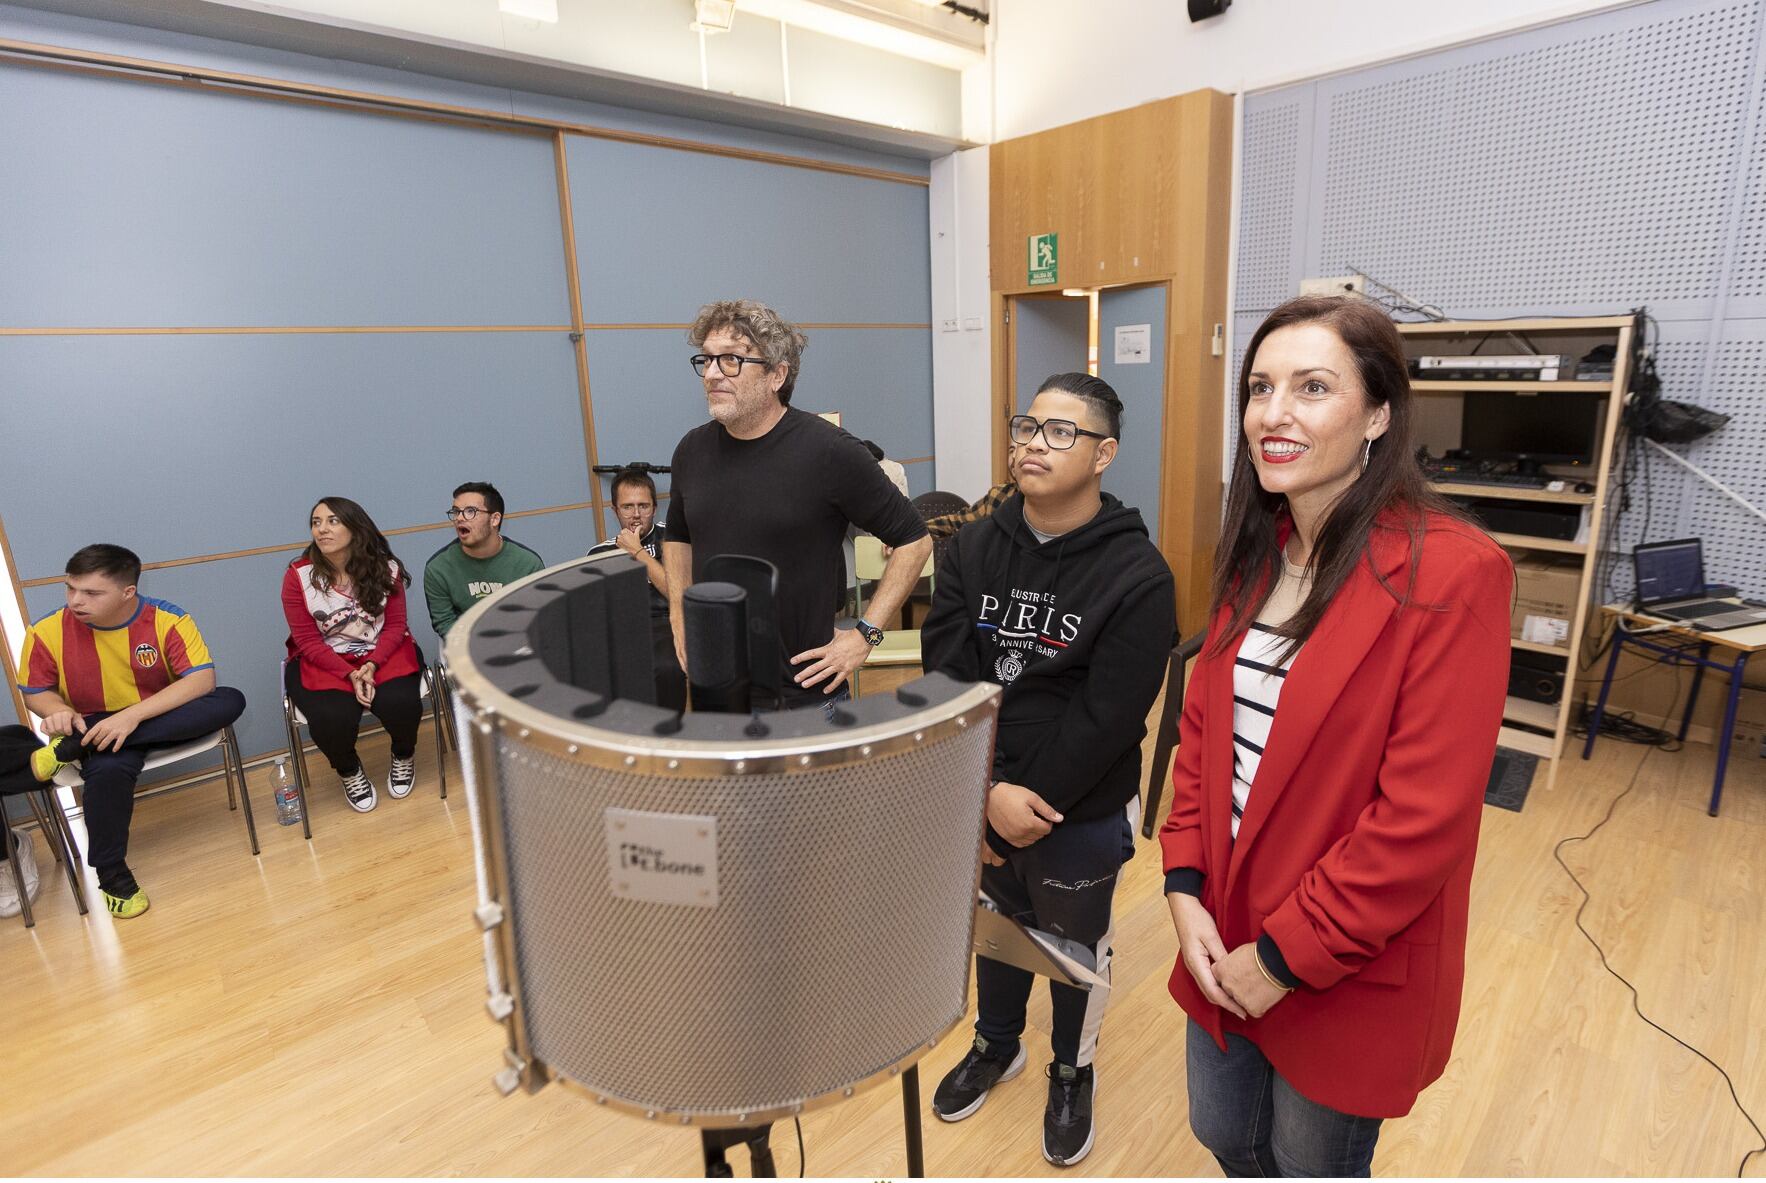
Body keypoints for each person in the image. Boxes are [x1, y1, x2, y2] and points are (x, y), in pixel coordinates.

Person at [1161, 296, 1512, 1177]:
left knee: (1309, 1162)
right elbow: (1204, 733)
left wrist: (1282, 958)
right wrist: (1182, 881)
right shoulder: (1258, 551)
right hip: (1223, 929)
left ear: (1379, 413)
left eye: (1312, 387)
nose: (1273, 413)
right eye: (1260, 388)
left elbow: (1421, 823)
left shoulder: (1455, 572)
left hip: (1341, 957)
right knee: (1228, 1139)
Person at [922, 373, 1176, 1167]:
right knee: (997, 932)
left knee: (1072, 945)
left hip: (1078, 807)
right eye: (1026, 425)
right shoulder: (972, 546)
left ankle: (1072, 1066)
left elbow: (1109, 715)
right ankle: (998, 1044)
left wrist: (1024, 799)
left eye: (1060, 432)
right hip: (987, 787)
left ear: (1104, 453)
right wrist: (984, 790)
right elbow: (949, 669)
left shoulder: (1139, 573)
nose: (1033, 441)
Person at [664, 299, 933, 713]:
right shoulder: (690, 450)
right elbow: (679, 538)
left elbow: (914, 540)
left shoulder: (830, 452)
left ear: (777, 374)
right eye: (708, 359)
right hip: (716, 687)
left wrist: (866, 635)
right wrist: (680, 618)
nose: (713, 373)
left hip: (804, 695)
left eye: (732, 360)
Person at [14, 544, 247, 919]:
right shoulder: (45, 630)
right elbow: (35, 691)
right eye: (71, 588)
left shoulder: (167, 618)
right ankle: (111, 875)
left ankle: (76, 745)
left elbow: (202, 679)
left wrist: (131, 717)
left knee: (229, 699)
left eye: (91, 593)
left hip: (155, 717)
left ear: (127, 592)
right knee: (106, 768)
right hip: (101, 729)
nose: (76, 601)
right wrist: (56, 711)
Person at [282, 498, 425, 813]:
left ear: (355, 527)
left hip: (382, 652)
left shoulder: (386, 568)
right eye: (316, 522)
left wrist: (371, 665)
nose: (322, 529)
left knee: (400, 702)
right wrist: (350, 674)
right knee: (331, 717)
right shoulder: (298, 575)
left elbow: (396, 625)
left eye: (332, 521)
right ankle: (349, 771)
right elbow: (306, 639)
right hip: (326, 658)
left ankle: (403, 755)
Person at [587, 467, 686, 710]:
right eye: (627, 507)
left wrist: (637, 553)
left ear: (654, 508)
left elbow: (680, 596)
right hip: (625, 627)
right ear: (615, 510)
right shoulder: (599, 553)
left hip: (669, 620)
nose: (636, 515)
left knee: (667, 668)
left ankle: (667, 734)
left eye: (643, 506)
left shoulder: (673, 540)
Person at [423, 481, 545, 638]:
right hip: (465, 647)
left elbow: (537, 617)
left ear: (494, 519)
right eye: (456, 512)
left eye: (470, 511)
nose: (459, 518)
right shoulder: (438, 568)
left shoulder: (528, 564)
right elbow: (445, 623)